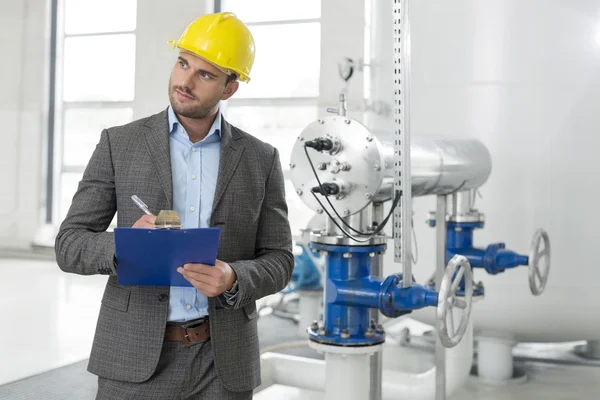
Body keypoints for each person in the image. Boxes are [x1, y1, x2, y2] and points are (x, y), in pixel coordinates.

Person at [55, 11, 294, 400]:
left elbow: (280, 260)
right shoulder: (120, 144)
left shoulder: (259, 159)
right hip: (133, 360)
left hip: (223, 364)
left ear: (230, 88)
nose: (184, 81)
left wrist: (234, 277)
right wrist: (125, 244)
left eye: (205, 74)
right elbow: (69, 245)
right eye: (183, 63)